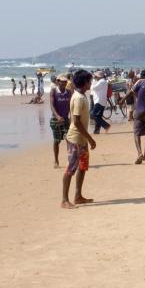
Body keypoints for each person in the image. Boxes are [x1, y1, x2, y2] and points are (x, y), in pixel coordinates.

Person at [62, 70, 96, 209]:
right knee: (71, 168)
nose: (91, 83)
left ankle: (78, 196)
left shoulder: (82, 96)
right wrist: (90, 138)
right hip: (76, 138)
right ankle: (64, 200)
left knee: (83, 167)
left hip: (81, 139)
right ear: (84, 82)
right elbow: (76, 121)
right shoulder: (78, 98)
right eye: (89, 81)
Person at [123, 70, 145, 164]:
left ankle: (139, 153)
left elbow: (131, 92)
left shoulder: (141, 82)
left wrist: (123, 99)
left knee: (136, 133)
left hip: (139, 111)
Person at [49, 76, 71, 168]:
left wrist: (71, 117)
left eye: (65, 82)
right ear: (57, 82)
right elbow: (52, 105)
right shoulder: (53, 91)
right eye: (62, 82)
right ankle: (56, 160)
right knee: (57, 141)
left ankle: (70, 160)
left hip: (66, 119)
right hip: (55, 120)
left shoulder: (68, 92)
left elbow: (70, 105)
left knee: (68, 139)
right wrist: (57, 116)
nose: (64, 83)